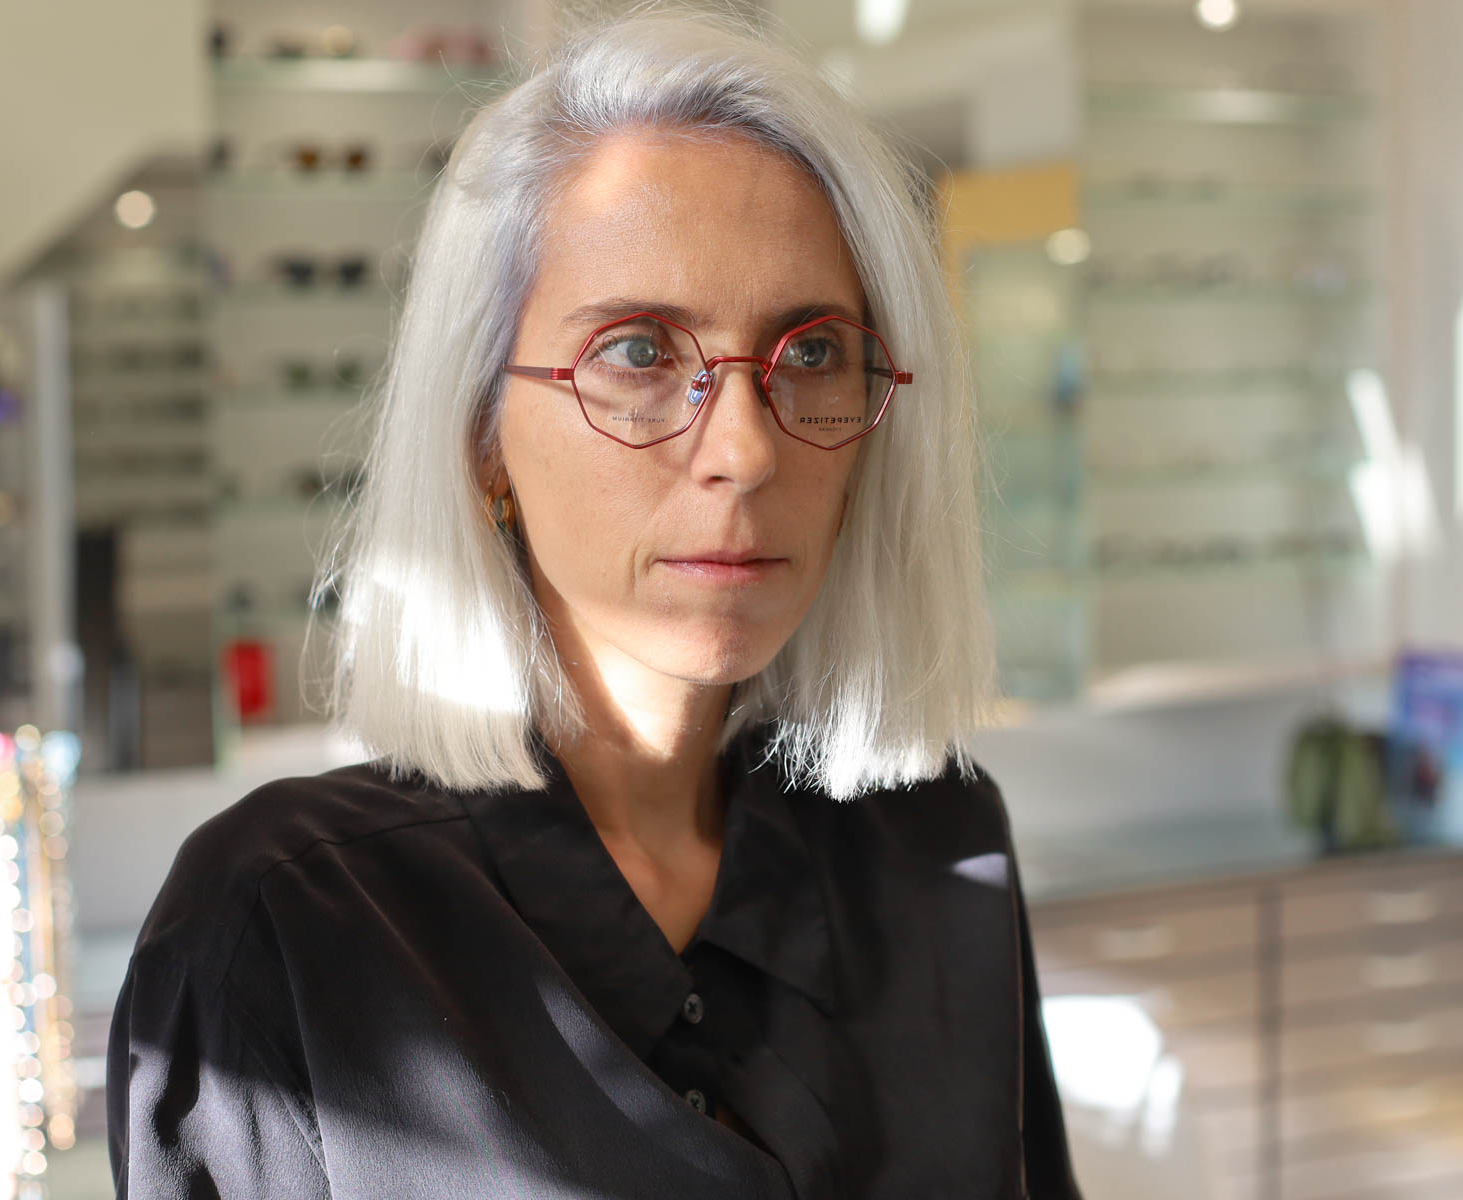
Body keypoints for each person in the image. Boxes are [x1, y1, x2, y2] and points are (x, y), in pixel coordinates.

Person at [106, 8, 1083, 1198]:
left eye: (811, 353)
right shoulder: (288, 921)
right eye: (637, 353)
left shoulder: (935, 841)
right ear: (483, 438)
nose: (746, 452)